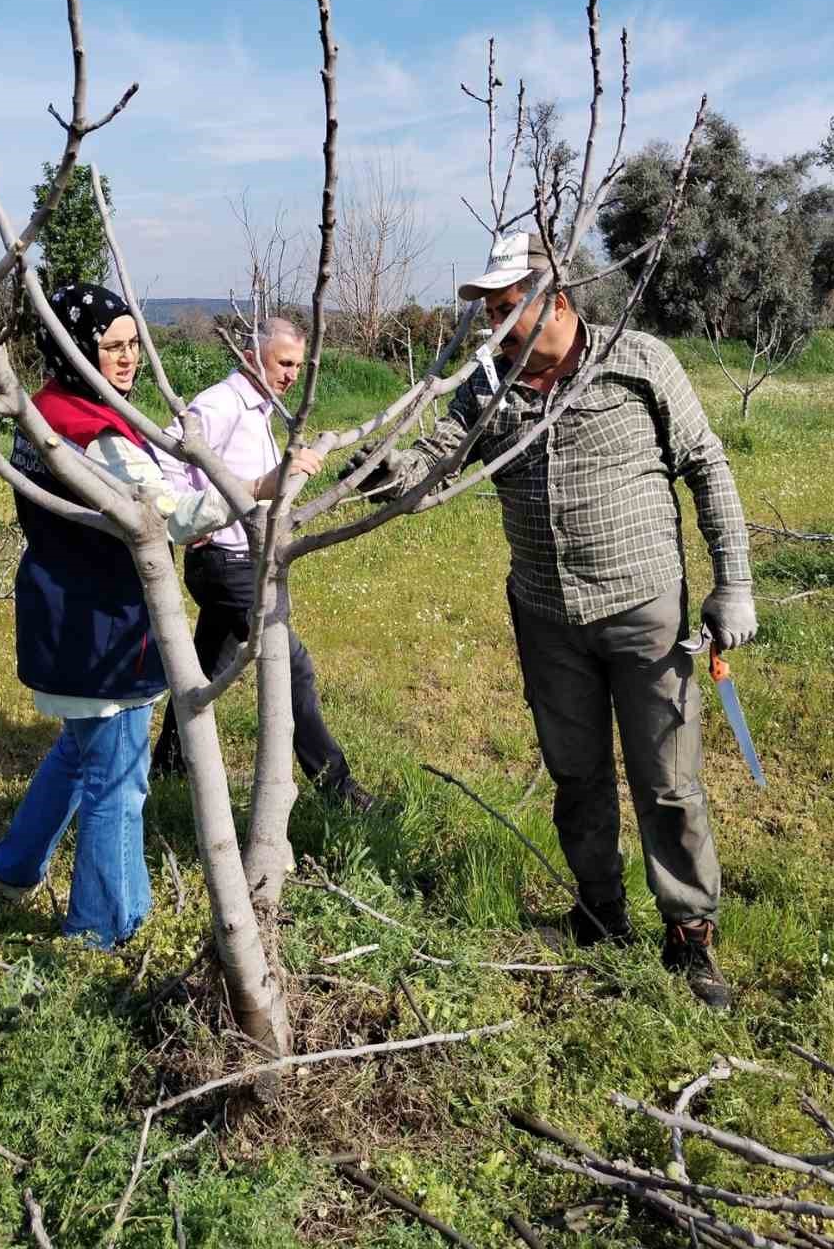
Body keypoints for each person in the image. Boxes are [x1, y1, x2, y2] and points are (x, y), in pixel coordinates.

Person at [352, 233, 755, 1008]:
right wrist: (381, 470)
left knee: (668, 784)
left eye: (509, 313)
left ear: (558, 303)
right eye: (488, 318)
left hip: (646, 614)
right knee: (577, 777)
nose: (495, 332)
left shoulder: (638, 362)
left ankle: (690, 937)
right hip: (546, 616)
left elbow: (706, 463)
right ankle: (599, 914)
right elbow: (439, 451)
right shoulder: (489, 387)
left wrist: (732, 585)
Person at [0, 284, 231, 950]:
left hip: (63, 612)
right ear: (73, 349)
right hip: (108, 629)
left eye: (130, 344)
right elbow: (171, 516)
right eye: (109, 346)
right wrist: (251, 489)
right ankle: (104, 925)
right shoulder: (91, 431)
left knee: (79, 752)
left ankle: (9, 870)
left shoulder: (44, 411)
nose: (127, 358)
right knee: (118, 783)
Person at [151, 317, 374, 810]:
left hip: (243, 560)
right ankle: (338, 789)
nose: (293, 374)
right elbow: (164, 459)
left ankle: (165, 767)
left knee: (205, 670)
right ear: (253, 356)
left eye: (298, 364)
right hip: (224, 564)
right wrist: (193, 515)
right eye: (284, 363)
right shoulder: (220, 404)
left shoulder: (260, 408)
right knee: (290, 664)